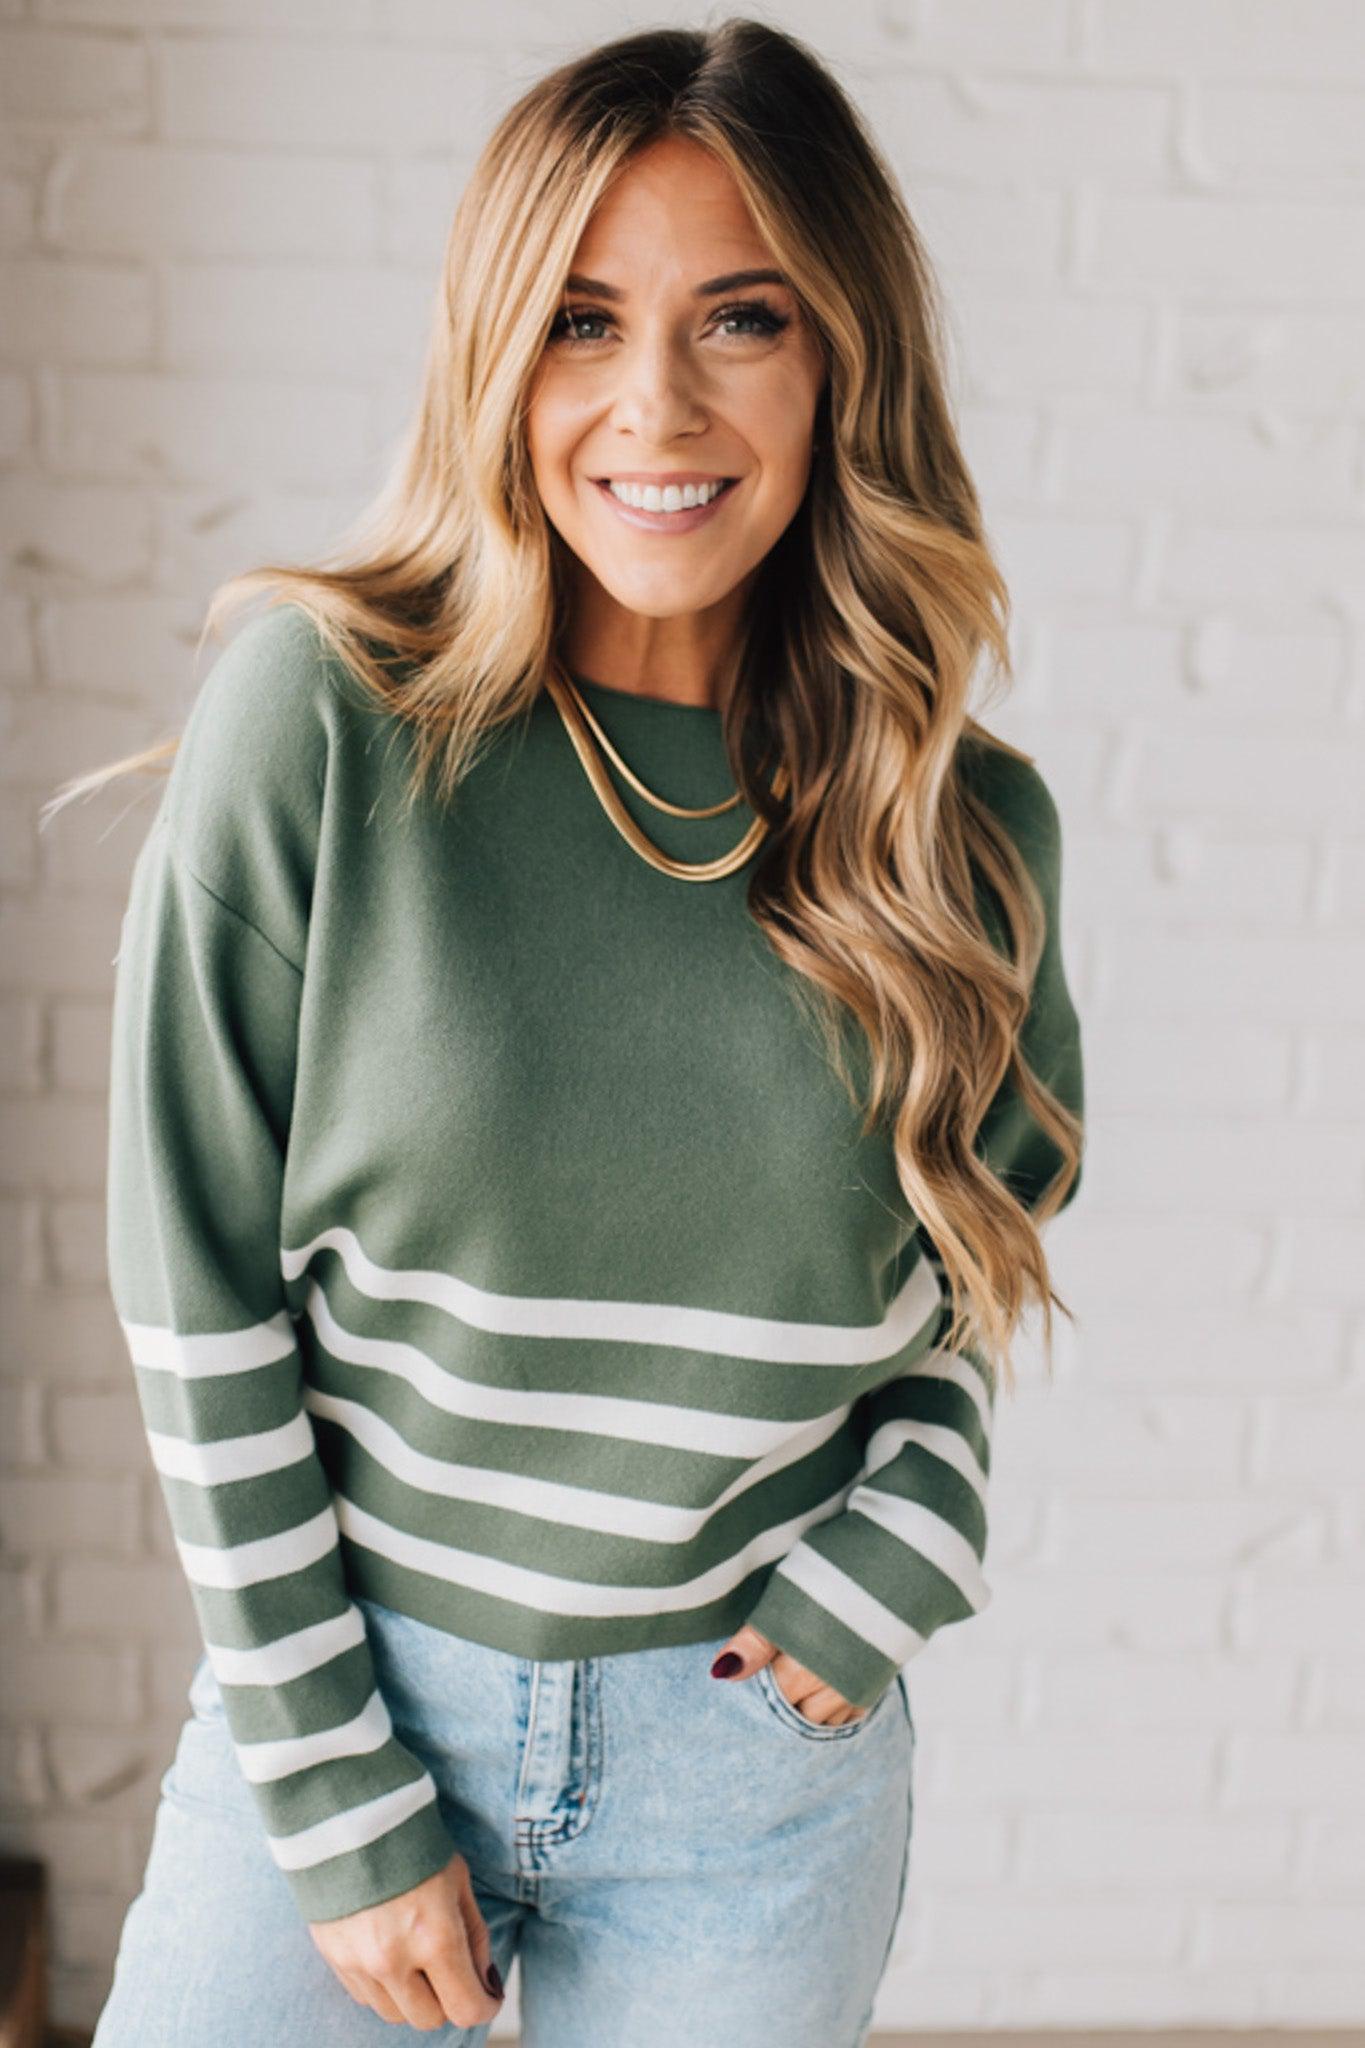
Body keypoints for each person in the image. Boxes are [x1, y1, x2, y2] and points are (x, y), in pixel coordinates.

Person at [53, 18, 1084, 2046]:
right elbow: (191, 1288)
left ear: (839, 358)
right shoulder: (324, 729)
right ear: (493, 353)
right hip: (350, 1691)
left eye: (741, 319)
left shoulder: (966, 842)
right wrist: (338, 1788)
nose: (653, 402)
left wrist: (911, 1517)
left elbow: (956, 1287)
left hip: (753, 1772)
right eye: (582, 320)